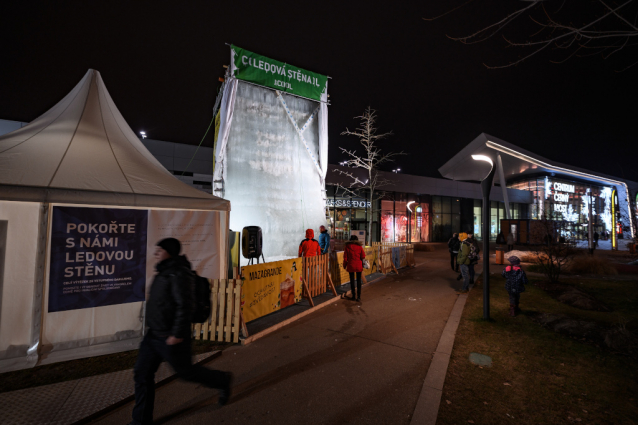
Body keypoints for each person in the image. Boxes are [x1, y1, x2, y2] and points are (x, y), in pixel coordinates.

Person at [131, 238, 232, 425]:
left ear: (169, 252)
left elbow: (185, 306)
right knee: (142, 373)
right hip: (154, 335)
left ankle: (222, 380)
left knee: (187, 373)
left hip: (172, 337)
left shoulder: (179, 274)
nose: (156, 253)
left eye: (160, 250)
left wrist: (176, 334)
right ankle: (141, 421)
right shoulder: (163, 272)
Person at [343, 234, 366, 302]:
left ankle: (353, 295)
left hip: (351, 265)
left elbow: (345, 258)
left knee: (352, 281)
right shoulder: (359, 247)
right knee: (359, 281)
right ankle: (358, 297)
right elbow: (363, 256)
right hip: (358, 265)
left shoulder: (347, 247)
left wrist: (344, 265)